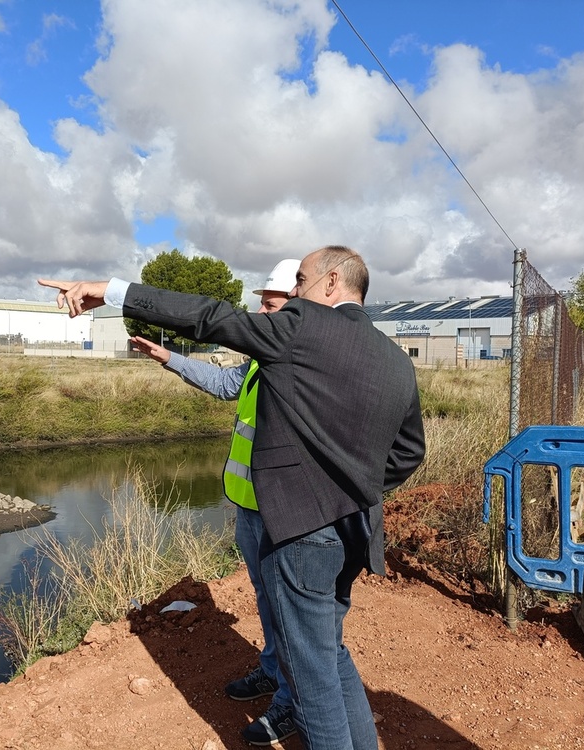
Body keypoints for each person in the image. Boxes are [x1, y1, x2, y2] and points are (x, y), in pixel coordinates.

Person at [38, 245, 425, 750]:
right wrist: (351, 489)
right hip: (355, 529)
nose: (294, 296)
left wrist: (109, 290)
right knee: (329, 654)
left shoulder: (301, 326)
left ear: (331, 283)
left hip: (303, 535)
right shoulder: (395, 358)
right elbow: (409, 452)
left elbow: (209, 317)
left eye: (302, 282)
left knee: (311, 680)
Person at [130, 258, 300, 746]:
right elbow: (228, 386)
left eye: (269, 306)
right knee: (268, 602)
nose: (260, 316)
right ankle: (272, 672)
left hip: (283, 515)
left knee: (289, 613)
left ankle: (289, 703)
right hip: (249, 507)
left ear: (298, 309)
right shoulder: (259, 361)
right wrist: (169, 359)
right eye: (262, 305)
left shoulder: (296, 368)